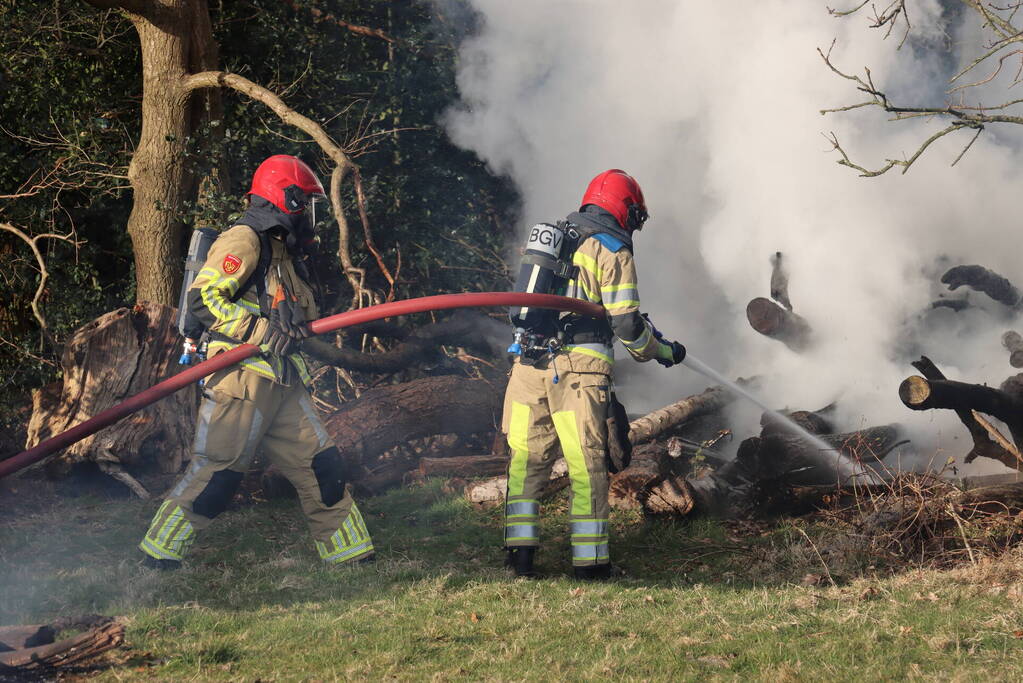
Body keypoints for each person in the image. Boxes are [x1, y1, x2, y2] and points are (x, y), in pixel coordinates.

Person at [139, 155, 374, 569]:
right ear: (288, 198)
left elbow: (298, 318)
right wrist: (262, 332)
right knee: (219, 476)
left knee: (323, 465)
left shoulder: (282, 252)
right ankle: (156, 559)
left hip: (282, 381)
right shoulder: (245, 238)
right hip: (240, 380)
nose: (311, 216)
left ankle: (353, 558)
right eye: (308, 204)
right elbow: (203, 298)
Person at [502, 169, 686, 580]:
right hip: (577, 375)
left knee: (526, 463)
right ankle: (590, 567)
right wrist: (659, 351)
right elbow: (625, 326)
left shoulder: (557, 238)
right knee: (586, 467)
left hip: (528, 367)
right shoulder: (611, 248)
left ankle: (520, 561)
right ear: (626, 209)